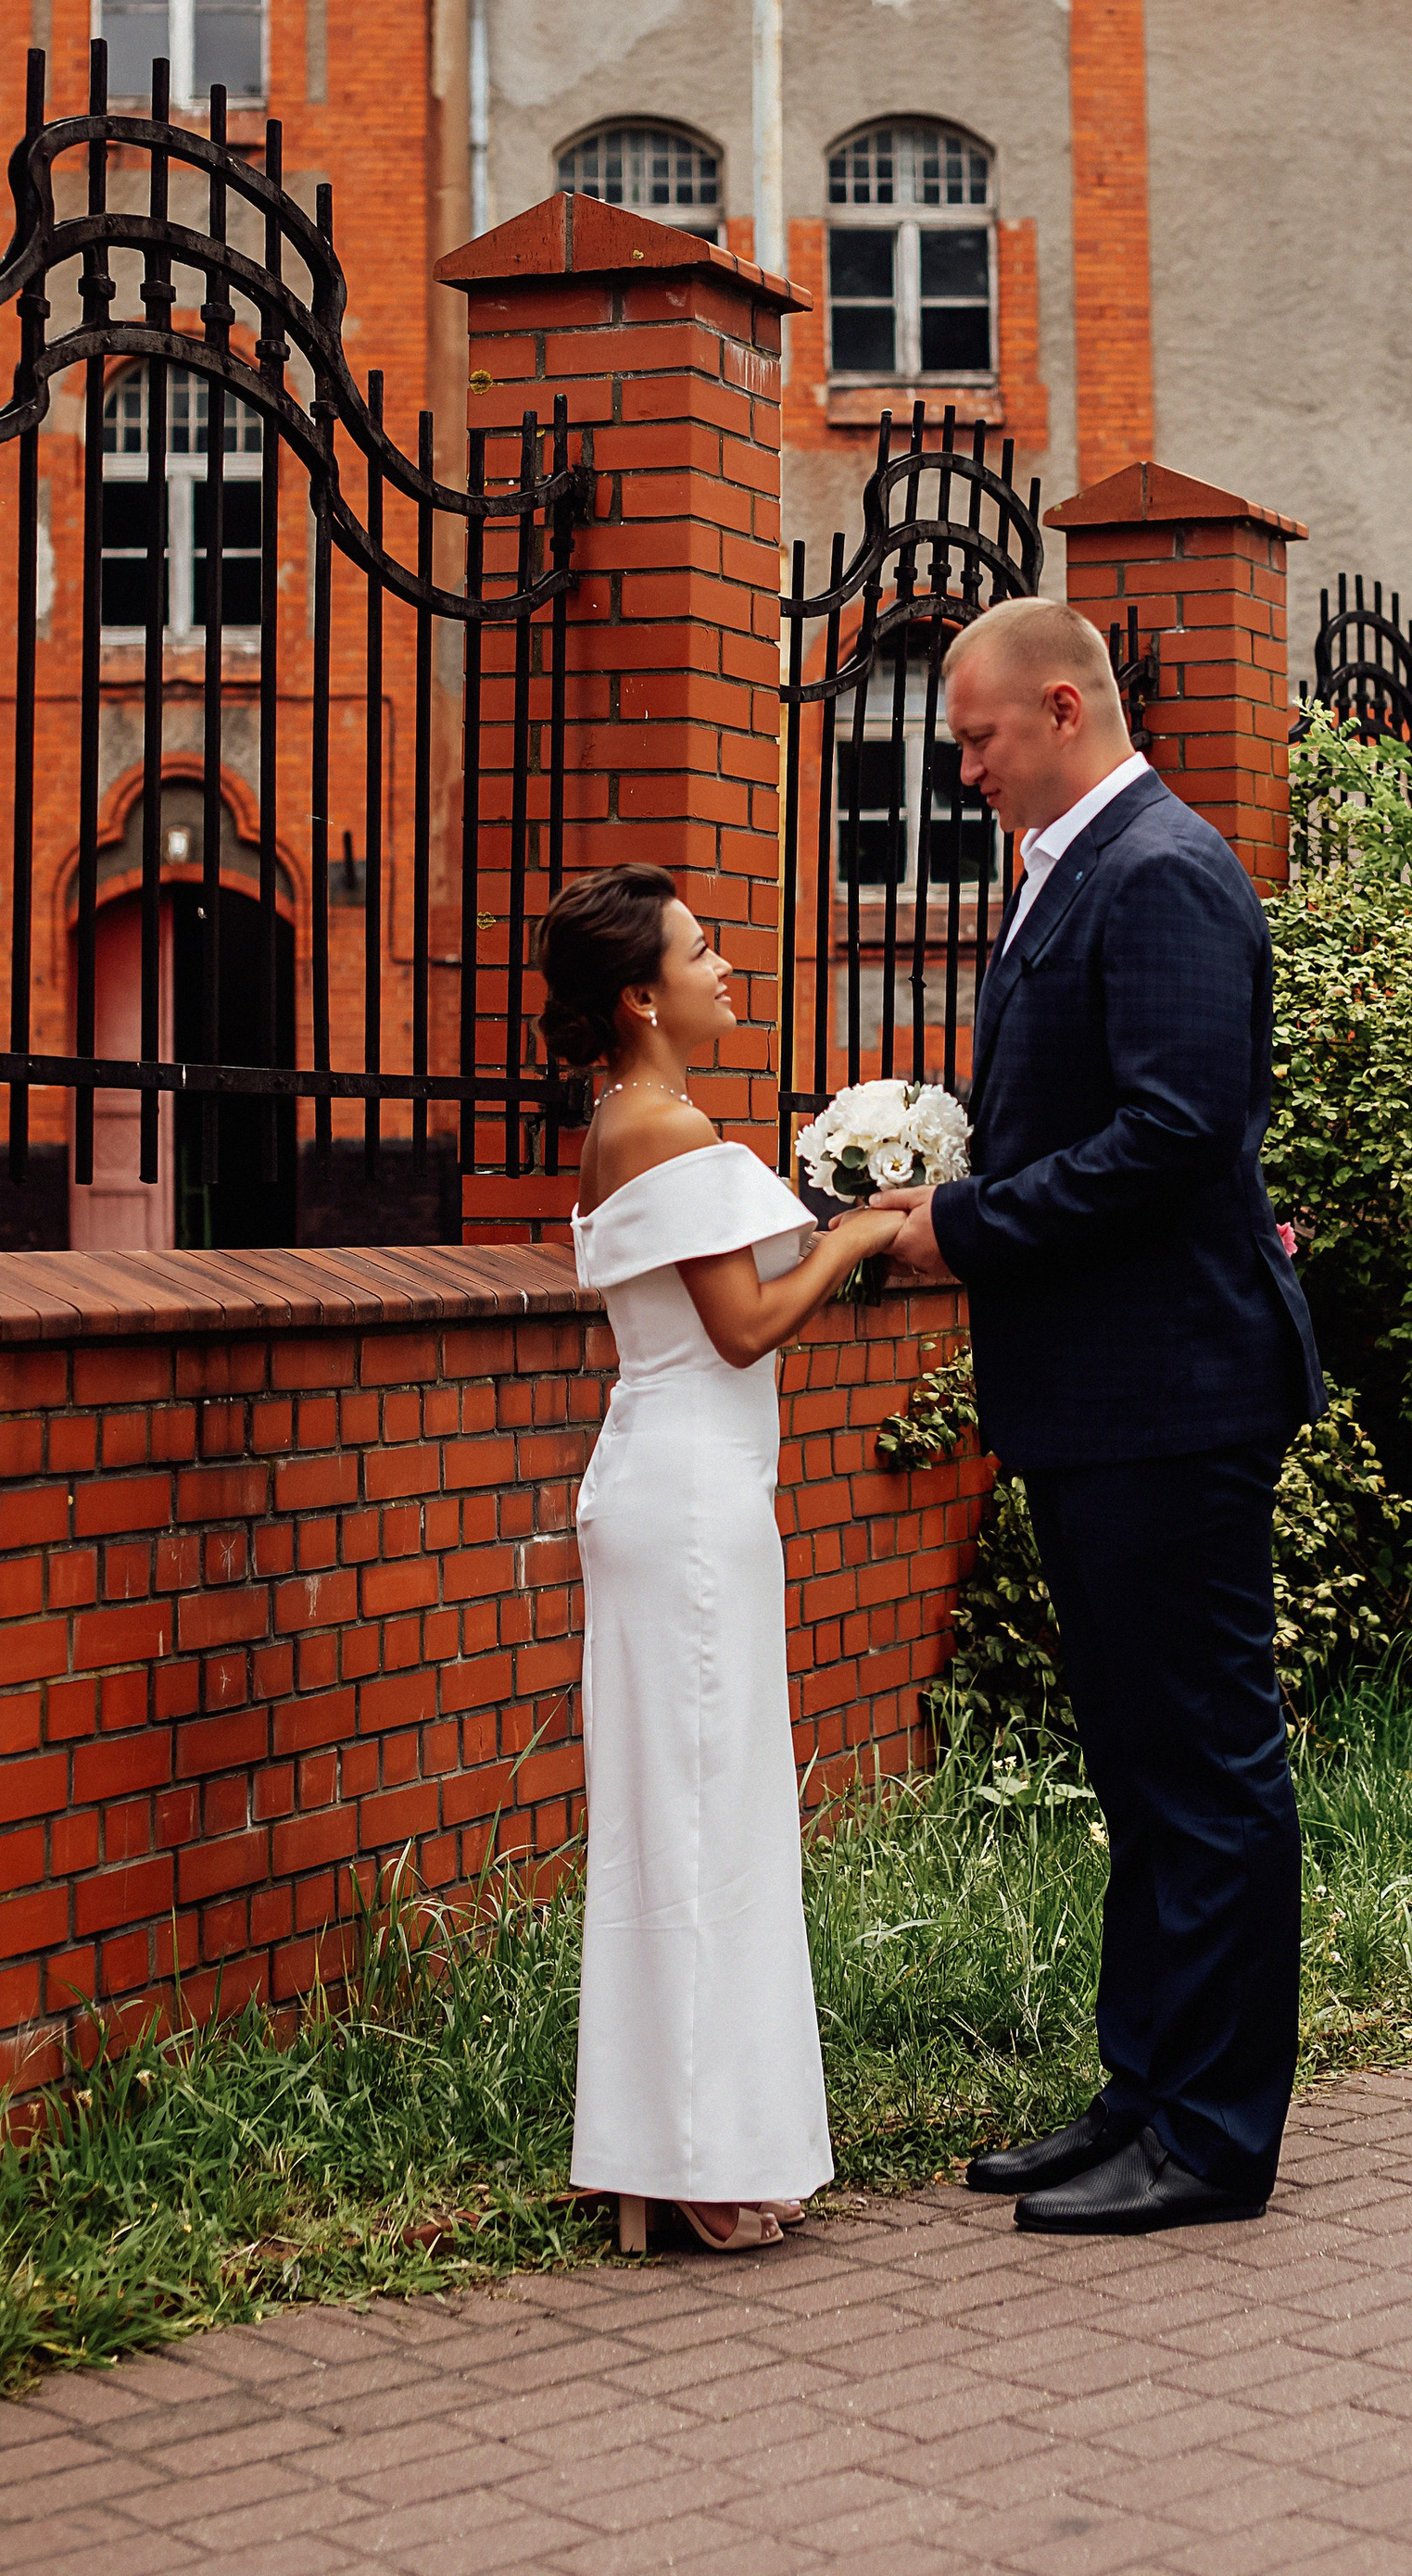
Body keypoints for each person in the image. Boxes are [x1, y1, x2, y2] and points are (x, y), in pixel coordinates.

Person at [874, 599, 1323, 2234]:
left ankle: (1210, 2138)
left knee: (1203, 1765)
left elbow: (1178, 1135)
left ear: (1062, 709)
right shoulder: (1079, 869)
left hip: (1173, 1393)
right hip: (1099, 1397)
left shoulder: (1164, 871)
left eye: (980, 741)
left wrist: (965, 1224)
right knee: (1140, 1769)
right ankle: (1141, 2095)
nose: (966, 772)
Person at [548, 862, 891, 2256]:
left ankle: (664, 2153)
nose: (725, 965)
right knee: (703, 1823)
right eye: (701, 950)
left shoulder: (625, 1121)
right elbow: (746, 1326)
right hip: (689, 1506)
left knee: (680, 1820)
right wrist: (860, 1231)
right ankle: (694, 2162)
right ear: (642, 996)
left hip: (670, 1487)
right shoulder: (668, 1126)